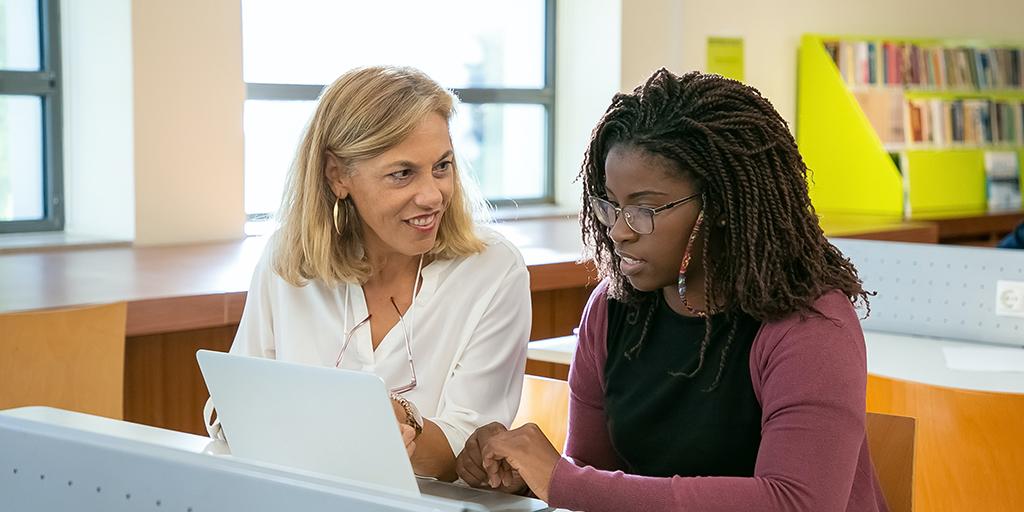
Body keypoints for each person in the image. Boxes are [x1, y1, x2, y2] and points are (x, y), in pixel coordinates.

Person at [455, 69, 888, 511]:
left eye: (644, 209)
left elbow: (797, 503)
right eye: (610, 205)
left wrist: (561, 480)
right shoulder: (611, 308)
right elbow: (591, 479)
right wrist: (528, 479)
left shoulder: (809, 325)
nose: (619, 231)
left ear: (719, 205)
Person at [215, 66, 531, 481]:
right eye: (402, 173)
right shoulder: (288, 261)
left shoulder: (493, 270)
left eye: (442, 166)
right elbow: (232, 410)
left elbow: (467, 456)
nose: (432, 195)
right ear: (337, 175)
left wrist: (403, 422)